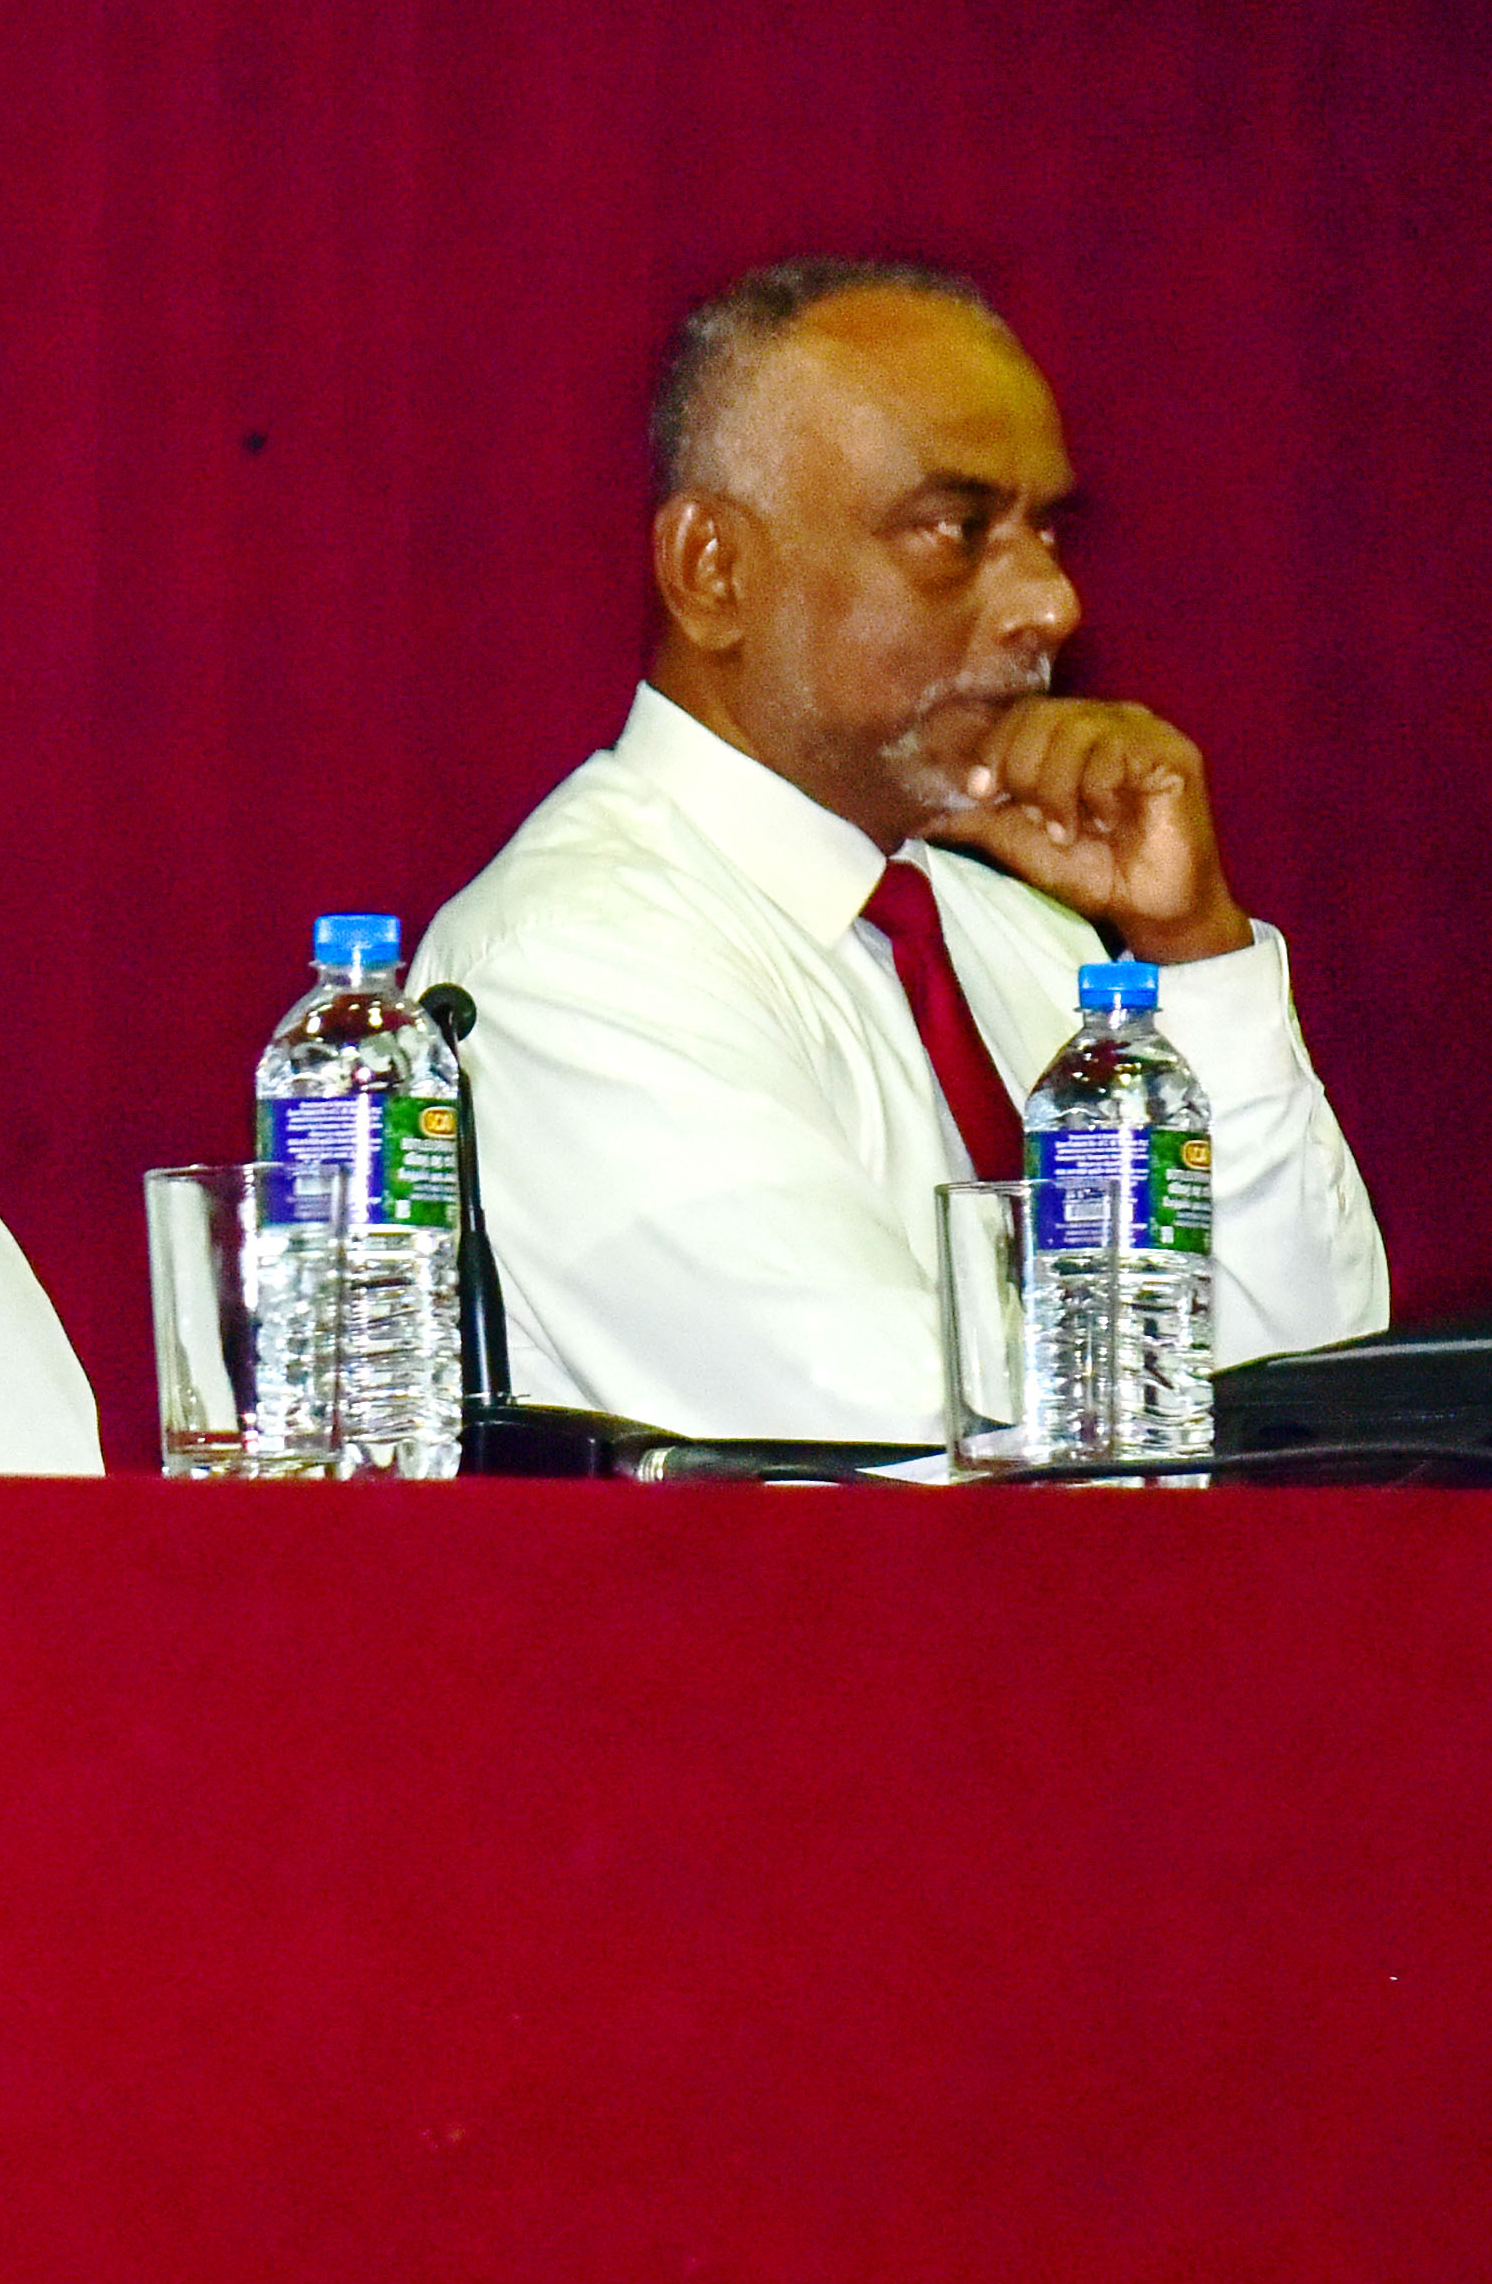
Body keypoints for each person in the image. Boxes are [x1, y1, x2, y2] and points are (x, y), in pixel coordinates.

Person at [415, 257, 1388, 1445]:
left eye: (1043, 530)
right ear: (713, 571)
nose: (1050, 604)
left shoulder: (1028, 940)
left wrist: (1193, 952)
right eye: (952, 531)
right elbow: (921, 1455)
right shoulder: (574, 962)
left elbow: (1328, 1405)